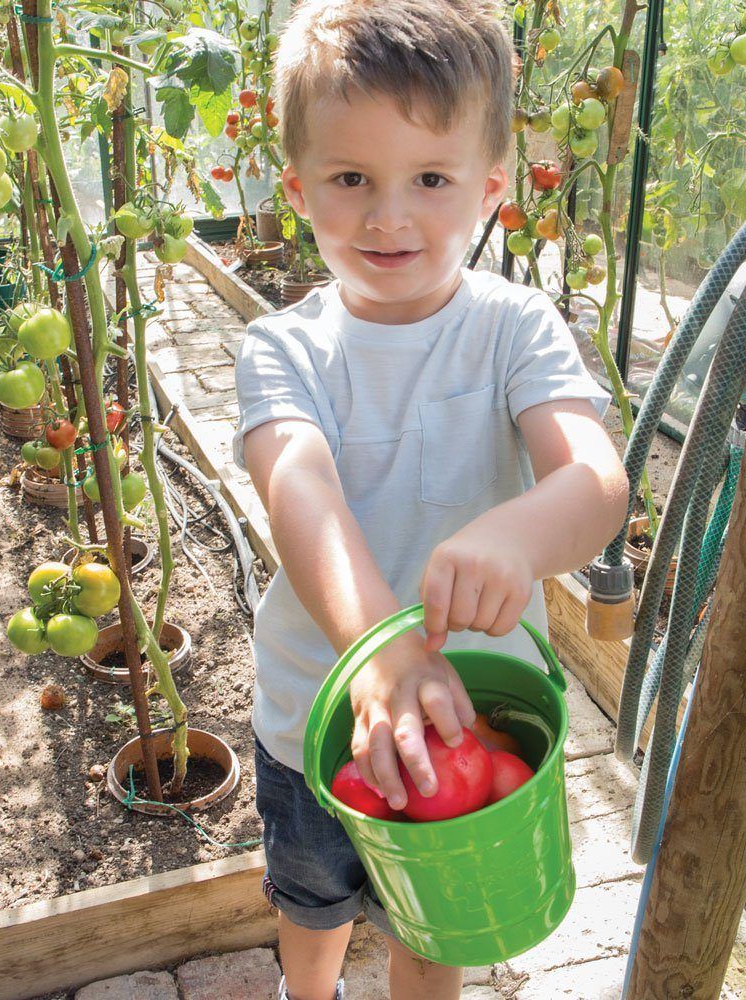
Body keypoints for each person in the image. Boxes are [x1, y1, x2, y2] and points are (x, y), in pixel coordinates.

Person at [233, 2, 629, 998]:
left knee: (437, 929)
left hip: (470, 710)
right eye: (351, 178)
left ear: (491, 188)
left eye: (430, 179)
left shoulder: (513, 331)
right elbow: (299, 486)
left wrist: (519, 532)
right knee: (313, 900)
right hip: (313, 722)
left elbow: (595, 481)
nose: (388, 215)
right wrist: (379, 652)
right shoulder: (283, 349)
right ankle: (307, 989)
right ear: (298, 187)